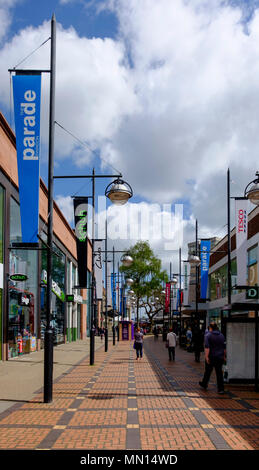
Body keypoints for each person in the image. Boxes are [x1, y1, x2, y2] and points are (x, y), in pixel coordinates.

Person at [199, 323, 226, 394]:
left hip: (211, 356)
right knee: (219, 373)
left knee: (208, 371)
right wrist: (224, 356)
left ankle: (204, 384)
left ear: (210, 328)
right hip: (220, 356)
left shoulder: (208, 335)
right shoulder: (221, 335)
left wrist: (206, 357)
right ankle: (221, 389)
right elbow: (224, 348)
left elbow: (207, 347)